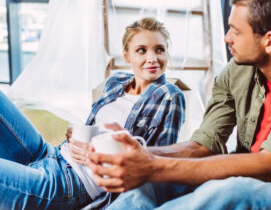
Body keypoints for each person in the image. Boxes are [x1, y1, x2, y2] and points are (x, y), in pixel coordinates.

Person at [86, 0, 271, 209]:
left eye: (236, 30)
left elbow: (269, 164)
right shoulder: (237, 70)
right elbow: (204, 146)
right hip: (246, 173)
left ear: (270, 41)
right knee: (149, 185)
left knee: (231, 191)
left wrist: (152, 165)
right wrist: (138, 156)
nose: (226, 38)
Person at [0, 17, 185, 209]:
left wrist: (95, 157)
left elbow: (153, 163)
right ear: (127, 56)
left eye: (159, 50)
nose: (152, 58)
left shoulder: (169, 95)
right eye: (142, 50)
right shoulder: (116, 81)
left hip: (71, 184)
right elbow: (97, 128)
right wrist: (77, 133)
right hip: (53, 154)